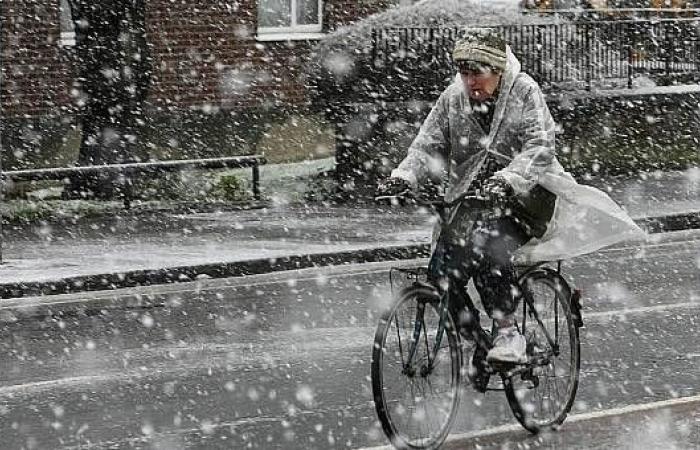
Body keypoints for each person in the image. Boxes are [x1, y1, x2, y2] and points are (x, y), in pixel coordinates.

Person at [377, 28, 645, 370]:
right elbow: (426, 143)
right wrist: (403, 176)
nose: (470, 81)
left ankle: (509, 334)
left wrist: (508, 179)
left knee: (489, 248)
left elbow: (540, 146)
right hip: (472, 199)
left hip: (526, 199)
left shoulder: (524, 91)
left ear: (498, 70)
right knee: (441, 271)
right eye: (464, 72)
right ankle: (479, 340)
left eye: (478, 72)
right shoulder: (453, 98)